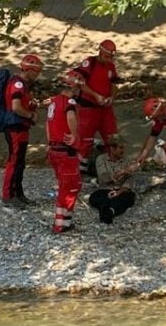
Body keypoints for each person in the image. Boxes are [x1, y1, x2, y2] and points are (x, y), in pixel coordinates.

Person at [45, 70, 85, 233]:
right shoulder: (69, 102)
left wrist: (50, 143)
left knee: (64, 184)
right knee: (71, 186)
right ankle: (60, 223)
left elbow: (48, 124)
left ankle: (65, 221)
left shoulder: (53, 102)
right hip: (66, 151)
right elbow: (70, 117)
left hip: (54, 150)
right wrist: (74, 134)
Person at [74, 39, 120, 176]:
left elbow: (114, 85)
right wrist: (95, 96)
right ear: (100, 52)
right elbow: (79, 82)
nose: (108, 59)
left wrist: (112, 97)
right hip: (88, 108)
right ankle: (79, 171)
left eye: (111, 57)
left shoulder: (111, 67)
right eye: (107, 56)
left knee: (112, 137)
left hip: (105, 108)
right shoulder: (90, 63)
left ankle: (113, 169)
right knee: (85, 140)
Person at [2, 54, 42, 207]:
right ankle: (8, 195)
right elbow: (16, 107)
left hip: (22, 127)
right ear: (29, 70)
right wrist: (30, 115)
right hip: (15, 127)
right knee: (14, 161)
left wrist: (32, 105)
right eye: (36, 72)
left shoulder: (23, 85)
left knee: (20, 162)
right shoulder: (18, 84)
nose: (37, 75)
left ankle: (18, 193)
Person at [90, 135, 141, 224]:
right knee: (96, 197)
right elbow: (104, 178)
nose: (123, 151)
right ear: (112, 149)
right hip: (104, 189)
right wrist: (123, 171)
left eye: (123, 148)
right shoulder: (101, 159)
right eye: (120, 148)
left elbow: (129, 180)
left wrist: (120, 191)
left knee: (128, 198)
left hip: (121, 191)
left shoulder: (127, 160)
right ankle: (107, 211)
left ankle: (110, 212)